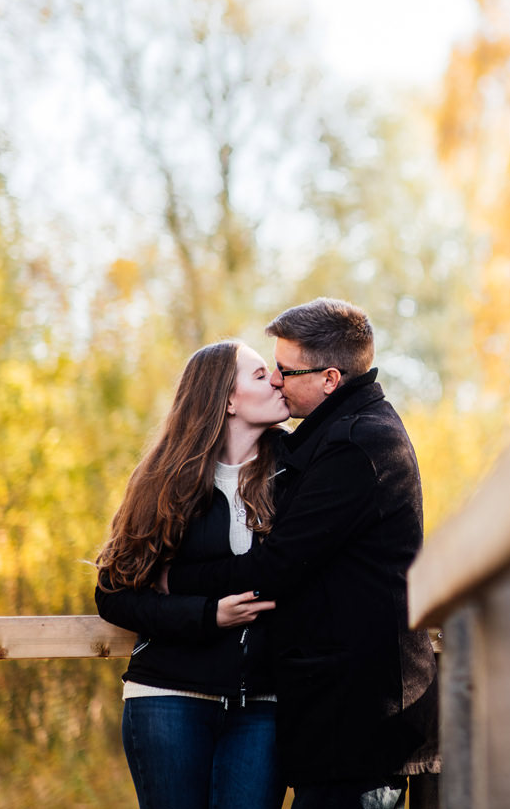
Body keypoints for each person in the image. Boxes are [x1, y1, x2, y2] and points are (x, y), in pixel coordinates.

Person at [164, 298, 439, 809]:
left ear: (330, 379)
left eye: (286, 372)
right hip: (335, 719)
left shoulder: (359, 444)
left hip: (362, 723)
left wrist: (173, 581)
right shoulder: (330, 437)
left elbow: (278, 567)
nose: (276, 382)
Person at [96, 340, 289, 809]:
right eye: (261, 375)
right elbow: (114, 594)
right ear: (226, 398)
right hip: (167, 698)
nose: (278, 380)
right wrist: (208, 615)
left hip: (266, 703)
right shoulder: (164, 478)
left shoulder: (298, 470)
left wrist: (179, 581)